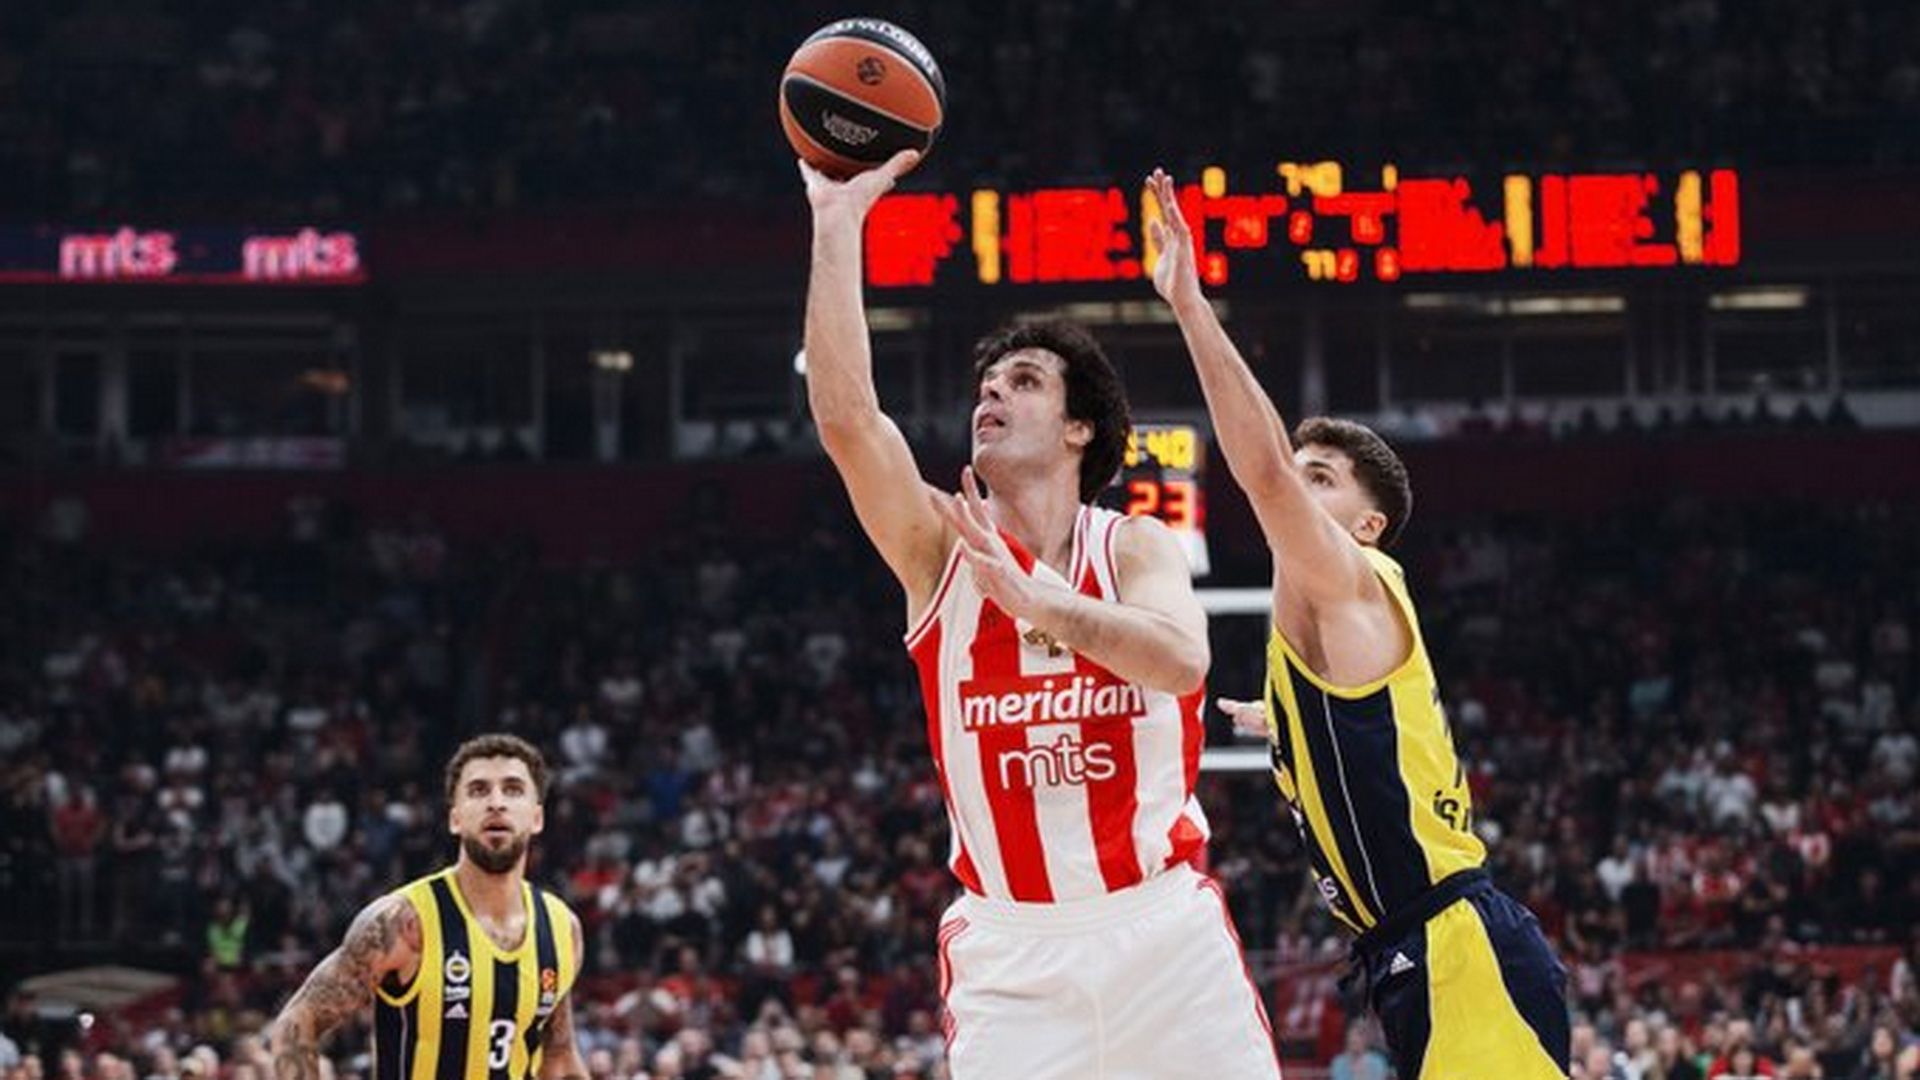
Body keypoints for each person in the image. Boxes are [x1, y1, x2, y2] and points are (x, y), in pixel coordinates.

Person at [797, 150, 1280, 1078]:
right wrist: (836, 219)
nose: (991, 392)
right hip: (1012, 952)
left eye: (1022, 381)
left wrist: (1041, 602)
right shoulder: (938, 547)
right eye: (986, 384)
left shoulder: (1133, 547)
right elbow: (849, 421)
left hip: (1162, 936)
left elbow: (1181, 662)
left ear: (1078, 427)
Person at [1144, 168, 1569, 1079]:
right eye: (1302, 470)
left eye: (1322, 478)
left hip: (1457, 950)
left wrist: (1189, 306)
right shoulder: (1324, 631)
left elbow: (1262, 474)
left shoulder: (1359, 574)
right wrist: (1277, 720)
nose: (1299, 486)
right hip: (1413, 954)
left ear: (1369, 524)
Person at [266, 735, 586, 1080]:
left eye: (513, 790)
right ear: (455, 819)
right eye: (478, 790)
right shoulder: (402, 921)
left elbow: (560, 1057)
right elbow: (297, 1022)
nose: (496, 803)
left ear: (537, 817)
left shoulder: (561, 928)